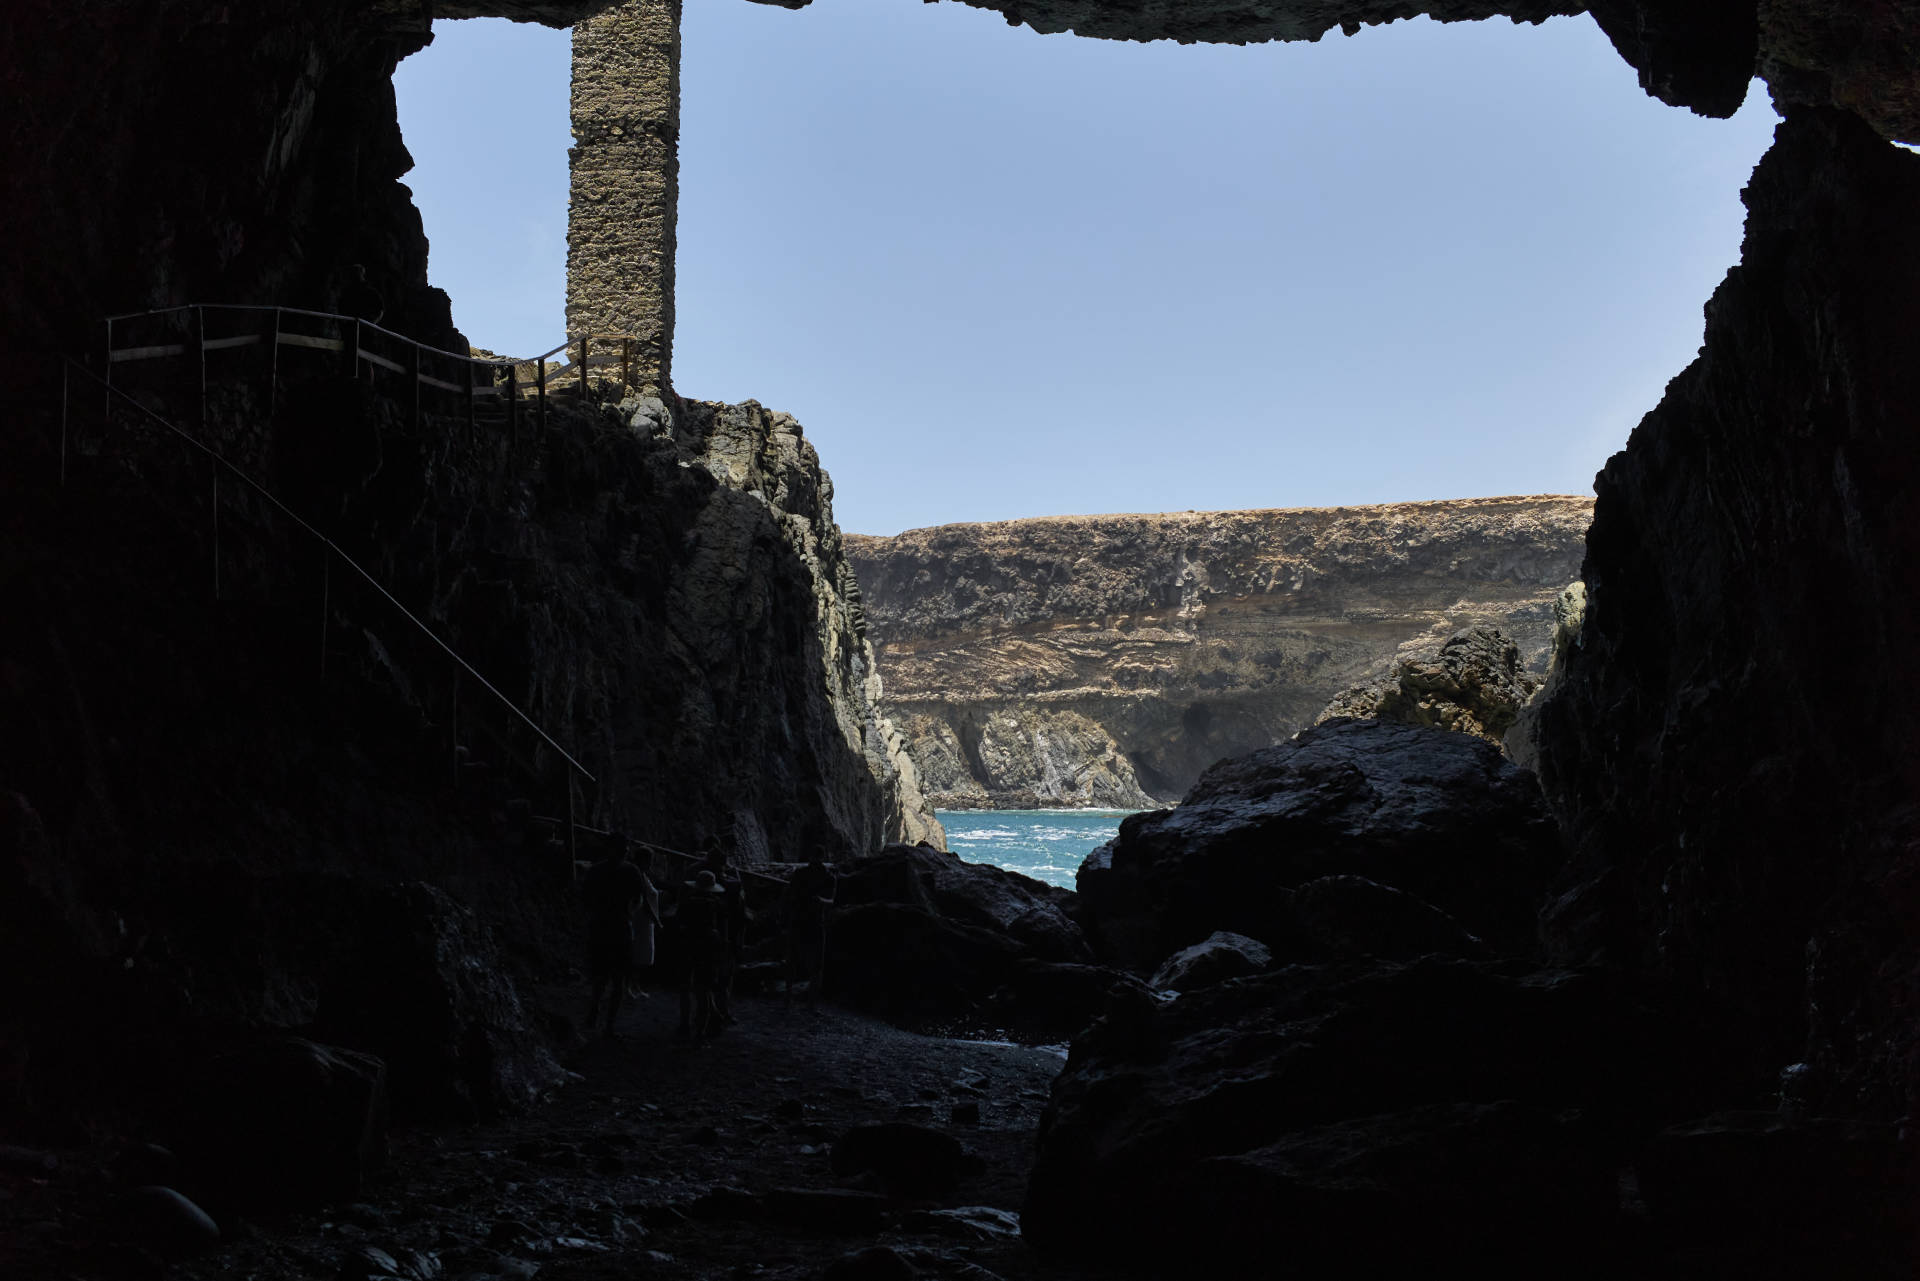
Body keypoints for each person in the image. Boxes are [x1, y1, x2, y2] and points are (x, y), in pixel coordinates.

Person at [581, 833, 647, 1039]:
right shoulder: (632, 871)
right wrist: (628, 914)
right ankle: (609, 1025)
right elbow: (638, 899)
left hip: (600, 926)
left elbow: (584, 897)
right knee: (618, 980)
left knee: (600, 975)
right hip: (620, 928)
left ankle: (594, 1009)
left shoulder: (595, 870)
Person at [676, 869, 729, 1042]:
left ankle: (684, 1024)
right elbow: (723, 931)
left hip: (688, 944)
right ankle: (700, 1031)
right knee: (704, 990)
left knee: (685, 987)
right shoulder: (718, 905)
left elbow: (679, 923)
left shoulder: (687, 903)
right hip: (709, 946)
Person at [785, 851, 837, 1010]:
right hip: (808, 921)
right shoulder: (823, 876)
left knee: (806, 962)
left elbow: (831, 900)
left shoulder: (825, 877)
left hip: (809, 921)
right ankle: (800, 1000)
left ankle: (806, 1001)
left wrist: (820, 901)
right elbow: (790, 895)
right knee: (802, 961)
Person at [701, 846, 747, 1025]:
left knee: (707, 979)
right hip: (727, 937)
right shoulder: (733, 885)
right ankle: (721, 1011)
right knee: (725, 978)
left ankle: (712, 1011)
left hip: (708, 937)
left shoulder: (701, 880)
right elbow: (740, 916)